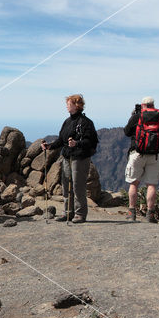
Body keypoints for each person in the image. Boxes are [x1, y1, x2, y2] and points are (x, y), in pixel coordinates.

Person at [41, 94, 98, 223]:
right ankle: (67, 213)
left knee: (78, 185)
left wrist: (76, 143)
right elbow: (61, 139)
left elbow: (90, 140)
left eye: (69, 103)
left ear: (76, 105)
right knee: (66, 184)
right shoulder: (67, 121)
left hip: (80, 158)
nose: (66, 105)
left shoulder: (86, 122)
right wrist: (49, 146)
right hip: (67, 156)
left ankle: (80, 214)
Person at [123, 96, 159, 223]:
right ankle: (150, 215)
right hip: (154, 155)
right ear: (153, 105)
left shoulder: (137, 117)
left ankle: (132, 213)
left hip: (137, 154)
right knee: (151, 184)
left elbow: (126, 132)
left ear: (143, 105)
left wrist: (134, 117)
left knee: (134, 183)